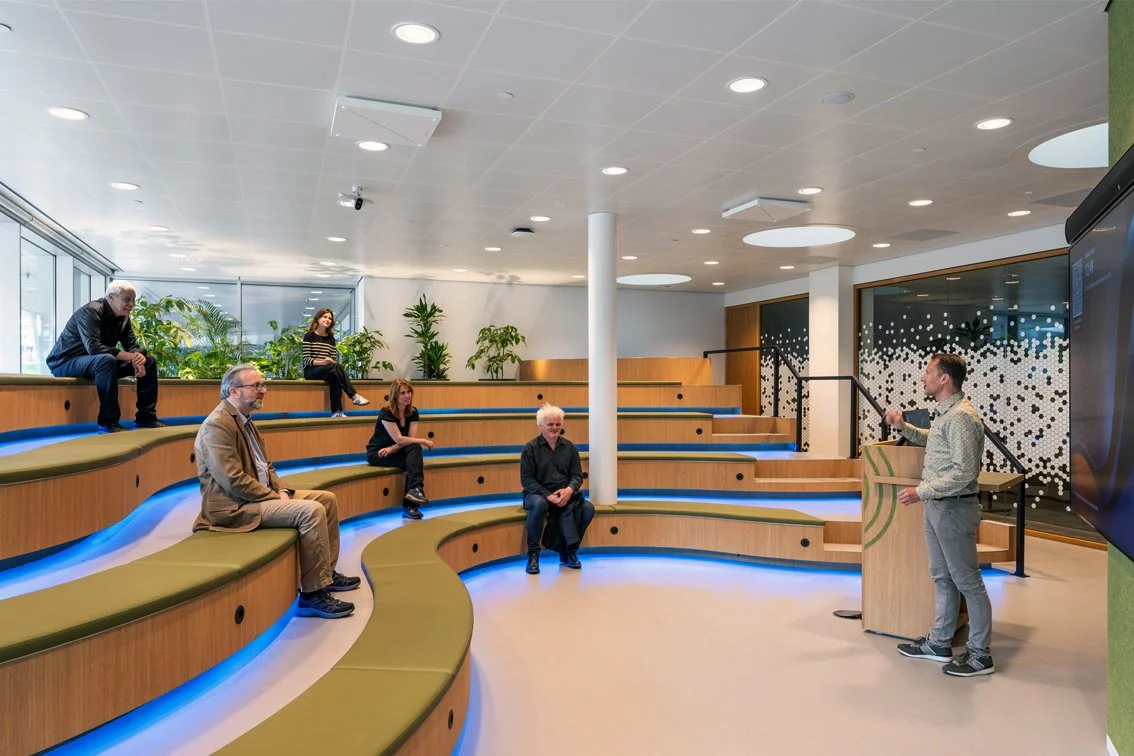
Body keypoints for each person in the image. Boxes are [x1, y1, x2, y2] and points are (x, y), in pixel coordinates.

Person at [193, 363, 361, 620]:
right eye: (256, 386)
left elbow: (265, 466)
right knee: (311, 511)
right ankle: (312, 595)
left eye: (263, 384)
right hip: (233, 507)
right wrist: (275, 496)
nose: (264, 390)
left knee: (326, 499)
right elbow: (233, 480)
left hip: (259, 496)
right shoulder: (218, 426)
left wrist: (281, 488)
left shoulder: (245, 420)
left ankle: (325, 574)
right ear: (234, 392)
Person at [885, 353, 994, 677]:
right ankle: (939, 642)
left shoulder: (961, 416)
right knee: (943, 577)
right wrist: (903, 427)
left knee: (968, 582)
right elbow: (936, 442)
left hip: (953, 508)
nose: (923, 377)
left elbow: (964, 472)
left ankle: (979, 655)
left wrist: (921, 492)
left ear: (944, 378)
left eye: (928, 372)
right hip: (938, 507)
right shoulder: (947, 413)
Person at [46, 280, 162, 434]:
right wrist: (131, 356)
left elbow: (131, 345)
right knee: (106, 360)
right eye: (127, 299)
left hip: (97, 364)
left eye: (133, 300)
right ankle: (108, 423)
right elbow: (94, 347)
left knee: (149, 362)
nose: (131, 304)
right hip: (65, 362)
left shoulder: (124, 317)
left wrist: (138, 358)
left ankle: (146, 419)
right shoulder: (91, 311)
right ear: (111, 297)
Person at [519, 403, 594, 575]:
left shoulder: (570, 447)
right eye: (550, 424)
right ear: (541, 426)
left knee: (588, 509)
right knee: (539, 504)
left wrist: (569, 490)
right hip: (536, 493)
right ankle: (533, 555)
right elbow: (527, 479)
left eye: (558, 424)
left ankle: (567, 551)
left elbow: (577, 475)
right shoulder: (530, 449)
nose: (555, 428)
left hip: (563, 493)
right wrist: (548, 496)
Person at [366, 378, 432, 519]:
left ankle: (415, 490)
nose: (407, 396)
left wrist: (393, 448)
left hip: (394, 450)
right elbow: (401, 439)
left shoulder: (413, 412)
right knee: (415, 456)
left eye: (409, 392)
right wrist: (424, 441)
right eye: (402, 393)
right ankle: (411, 503)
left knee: (414, 450)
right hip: (378, 453)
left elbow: (409, 440)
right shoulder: (386, 413)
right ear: (395, 395)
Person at [302, 308, 369, 418]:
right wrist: (323, 362)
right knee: (335, 368)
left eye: (329, 318)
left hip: (327, 369)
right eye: (325, 317)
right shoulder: (309, 336)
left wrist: (329, 362)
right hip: (311, 371)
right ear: (318, 318)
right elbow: (306, 360)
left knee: (335, 376)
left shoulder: (331, 339)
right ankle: (354, 396)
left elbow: (333, 360)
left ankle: (337, 412)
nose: (327, 320)